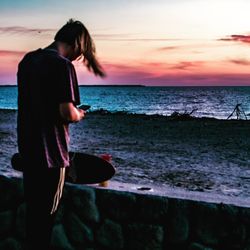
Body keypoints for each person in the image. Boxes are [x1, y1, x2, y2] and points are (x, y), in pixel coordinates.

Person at [17, 19, 105, 250]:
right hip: (52, 155)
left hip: (28, 151)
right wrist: (79, 114)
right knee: (45, 221)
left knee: (33, 220)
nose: (79, 57)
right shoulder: (62, 65)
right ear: (76, 43)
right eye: (81, 51)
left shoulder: (28, 61)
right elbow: (65, 112)